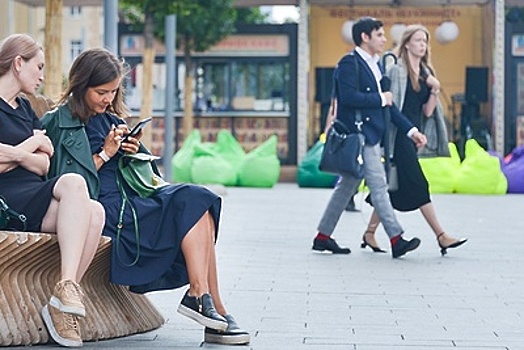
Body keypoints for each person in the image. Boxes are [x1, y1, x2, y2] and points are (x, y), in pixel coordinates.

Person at [41, 48, 249, 346]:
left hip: (133, 199)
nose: (108, 99)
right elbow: (63, 184)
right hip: (103, 210)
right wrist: (105, 154)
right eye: (101, 92)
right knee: (190, 204)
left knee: (198, 200)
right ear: (81, 84)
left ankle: (206, 300)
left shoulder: (109, 118)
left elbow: (146, 176)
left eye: (113, 92)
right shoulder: (58, 122)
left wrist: (133, 151)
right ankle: (206, 305)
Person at [0, 34, 104, 347]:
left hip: (33, 194)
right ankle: (67, 293)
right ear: (18, 63)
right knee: (74, 182)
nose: (43, 75)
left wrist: (13, 153)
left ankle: (63, 296)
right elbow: (33, 152)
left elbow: (45, 164)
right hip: (7, 201)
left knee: (95, 211)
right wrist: (28, 148)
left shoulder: (26, 111)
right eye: (39, 66)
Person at [311, 17, 427, 258]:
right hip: (359, 136)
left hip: (371, 135)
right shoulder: (348, 63)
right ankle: (396, 238)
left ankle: (323, 236)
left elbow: (389, 107)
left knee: (346, 188)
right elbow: (348, 97)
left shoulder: (376, 65)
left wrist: (411, 131)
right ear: (365, 37)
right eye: (380, 35)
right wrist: (379, 99)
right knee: (379, 186)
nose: (385, 39)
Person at [361, 24, 467, 256]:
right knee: (419, 184)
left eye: (425, 41)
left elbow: (428, 112)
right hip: (398, 134)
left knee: (390, 186)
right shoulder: (397, 70)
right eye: (418, 40)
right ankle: (441, 236)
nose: (423, 45)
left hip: (412, 135)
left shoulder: (427, 72)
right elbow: (391, 109)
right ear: (407, 43)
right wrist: (410, 131)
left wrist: (435, 91)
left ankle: (369, 233)